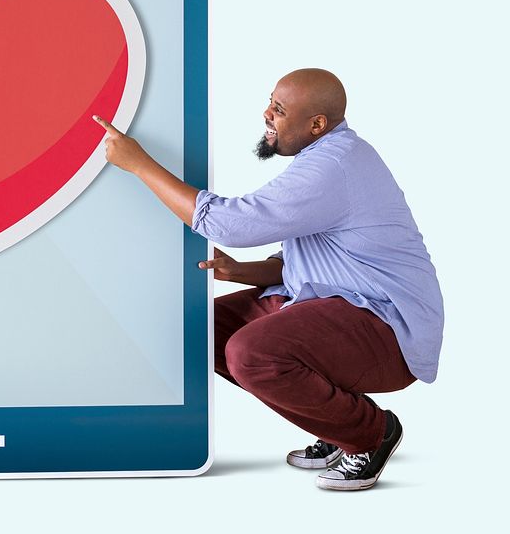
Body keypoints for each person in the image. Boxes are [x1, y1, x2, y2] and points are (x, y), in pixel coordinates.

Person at [95, 68, 443, 491]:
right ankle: (337, 424)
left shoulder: (333, 165)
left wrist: (139, 164)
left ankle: (369, 434)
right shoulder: (328, 154)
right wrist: (242, 272)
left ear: (317, 124)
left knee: (251, 353)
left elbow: (230, 224)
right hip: (338, 305)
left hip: (389, 331)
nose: (267, 114)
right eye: (270, 102)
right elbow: (314, 263)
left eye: (279, 109)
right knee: (200, 331)